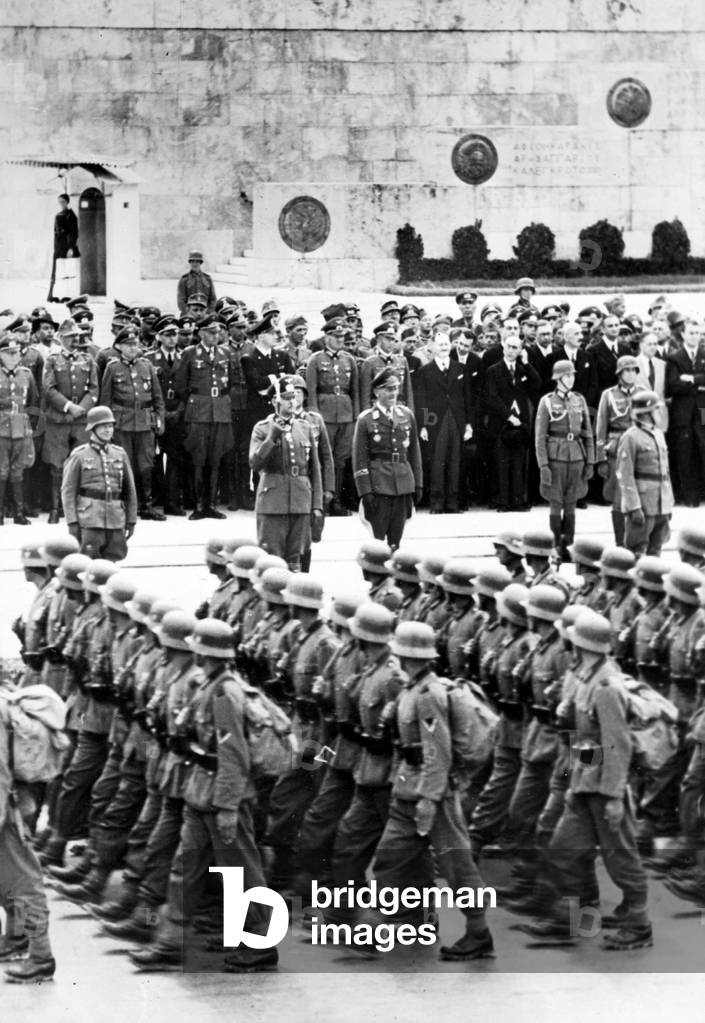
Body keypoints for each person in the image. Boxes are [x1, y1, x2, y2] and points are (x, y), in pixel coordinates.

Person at [372, 620, 495, 961]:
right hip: (408, 787)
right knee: (390, 858)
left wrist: (429, 798)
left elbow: (437, 751)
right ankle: (395, 923)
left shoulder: (429, 695)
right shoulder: (412, 689)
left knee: (457, 867)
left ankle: (478, 932)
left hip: (433, 794)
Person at [535, 609, 653, 951]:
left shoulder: (606, 686)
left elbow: (617, 744)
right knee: (565, 851)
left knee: (621, 859)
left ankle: (638, 925)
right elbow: (588, 742)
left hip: (605, 789)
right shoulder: (585, 678)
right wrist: (574, 779)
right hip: (585, 783)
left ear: (580, 644)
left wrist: (614, 796)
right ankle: (579, 921)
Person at [249, 377, 324, 571]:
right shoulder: (262, 428)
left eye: (293, 397)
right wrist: (271, 438)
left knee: (296, 560)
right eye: (286, 397)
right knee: (272, 560)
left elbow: (315, 469)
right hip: (273, 503)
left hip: (301, 502)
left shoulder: (305, 427)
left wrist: (317, 505)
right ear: (275, 401)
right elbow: (255, 464)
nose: (292, 401)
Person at [99, 326, 166, 520]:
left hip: (145, 422)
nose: (132, 348)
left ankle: (146, 505)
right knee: (123, 463)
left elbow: (157, 397)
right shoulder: (112, 368)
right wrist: (107, 426)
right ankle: (125, 506)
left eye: (135, 344)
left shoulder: (146, 365)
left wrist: (159, 419)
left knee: (146, 464)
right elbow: (106, 400)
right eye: (127, 345)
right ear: (119, 347)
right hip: (123, 423)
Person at [352, 368, 422, 551]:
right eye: (388, 389)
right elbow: (360, 458)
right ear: (377, 392)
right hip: (379, 485)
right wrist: (365, 491)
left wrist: (418, 484)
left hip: (403, 484)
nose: (393, 393)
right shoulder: (366, 419)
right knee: (377, 543)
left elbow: (414, 453)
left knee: (396, 542)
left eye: (395, 388)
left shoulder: (406, 415)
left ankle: (394, 569)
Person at [174, 314, 233, 519]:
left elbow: (230, 382)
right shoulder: (190, 353)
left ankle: (212, 504)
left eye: (218, 332)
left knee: (215, 458)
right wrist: (196, 400)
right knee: (199, 458)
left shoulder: (225, 353)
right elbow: (180, 384)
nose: (216, 336)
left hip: (220, 411)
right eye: (211, 332)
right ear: (201, 333)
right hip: (198, 411)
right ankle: (199, 505)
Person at [534, 359, 595, 558]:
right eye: (567, 376)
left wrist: (591, 461)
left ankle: (568, 546)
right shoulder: (547, 401)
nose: (571, 379)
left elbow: (588, 433)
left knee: (571, 502)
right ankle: (555, 547)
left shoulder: (579, 400)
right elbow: (539, 437)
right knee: (555, 502)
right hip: (555, 457)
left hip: (576, 456)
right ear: (558, 378)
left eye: (572, 375)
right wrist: (543, 465)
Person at [61, 405, 138, 561]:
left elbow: (130, 491)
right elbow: (68, 491)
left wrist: (131, 520)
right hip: (90, 519)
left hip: (115, 519)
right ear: (93, 428)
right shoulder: (79, 455)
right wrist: (72, 522)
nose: (108, 430)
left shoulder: (119, 454)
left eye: (110, 426)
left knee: (112, 561)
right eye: (103, 426)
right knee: (88, 561)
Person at [41, 318, 99, 522]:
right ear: (61, 338)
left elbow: (94, 389)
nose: (75, 340)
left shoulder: (88, 359)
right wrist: (68, 406)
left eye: (76, 336)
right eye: (70, 336)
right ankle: (56, 508)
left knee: (82, 463)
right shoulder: (52, 360)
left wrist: (81, 408)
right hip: (59, 418)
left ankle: (78, 507)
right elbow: (48, 389)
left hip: (81, 420)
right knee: (57, 465)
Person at [413, 330, 473, 513]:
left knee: (456, 461)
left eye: (446, 344)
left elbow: (467, 398)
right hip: (435, 421)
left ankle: (453, 503)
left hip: (457, 420)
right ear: (433, 347)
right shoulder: (425, 371)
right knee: (437, 462)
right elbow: (421, 400)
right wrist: (423, 425)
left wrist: (468, 424)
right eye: (440, 344)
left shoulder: (460, 369)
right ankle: (437, 503)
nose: (444, 347)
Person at [306, 320, 359, 515]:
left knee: (341, 459)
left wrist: (355, 416)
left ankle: (337, 500)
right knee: (324, 458)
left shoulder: (349, 360)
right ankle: (322, 500)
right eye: (336, 337)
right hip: (325, 415)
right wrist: (314, 417)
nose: (340, 340)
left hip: (345, 415)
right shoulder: (315, 360)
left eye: (342, 336)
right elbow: (311, 391)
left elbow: (355, 391)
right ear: (326, 337)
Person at [484, 334, 540, 511]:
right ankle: (503, 501)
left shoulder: (523, 370)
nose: (510, 350)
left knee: (518, 462)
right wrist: (509, 416)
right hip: (502, 423)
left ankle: (518, 500)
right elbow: (492, 397)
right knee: (502, 463)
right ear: (503, 348)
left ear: (520, 350)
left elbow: (537, 383)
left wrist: (527, 363)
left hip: (521, 424)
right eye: (508, 346)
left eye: (515, 347)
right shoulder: (493, 370)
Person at [616, 390, 674, 556]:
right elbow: (625, 475)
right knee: (637, 552)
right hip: (643, 504)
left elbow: (665, 472)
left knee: (656, 551)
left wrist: (669, 504)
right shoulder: (630, 437)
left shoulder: (659, 434)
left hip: (661, 504)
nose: (660, 413)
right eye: (656, 409)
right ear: (646, 413)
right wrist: (634, 506)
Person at [595, 355, 644, 545]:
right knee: (618, 498)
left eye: (633, 370)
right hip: (617, 449)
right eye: (626, 370)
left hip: (639, 450)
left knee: (639, 496)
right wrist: (601, 458)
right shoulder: (608, 395)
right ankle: (619, 543)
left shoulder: (644, 393)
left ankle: (635, 541)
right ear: (619, 373)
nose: (630, 374)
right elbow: (601, 428)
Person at [665, 318, 705, 507]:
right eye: (691, 333)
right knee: (685, 451)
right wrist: (700, 385)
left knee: (703, 446)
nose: (695, 336)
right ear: (683, 334)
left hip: (703, 409)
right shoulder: (674, 358)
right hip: (683, 412)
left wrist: (692, 379)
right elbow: (673, 385)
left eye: (698, 333)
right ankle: (689, 496)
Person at [0, 333, 39, 525]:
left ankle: (18, 512)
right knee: (1, 470)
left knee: (18, 470)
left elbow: (33, 401)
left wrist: (28, 426)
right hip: (1, 428)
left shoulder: (26, 374)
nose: (14, 356)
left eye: (16, 353)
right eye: (9, 353)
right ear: (1, 355)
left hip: (21, 426)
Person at [47, 192, 79, 303]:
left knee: (68, 272)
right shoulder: (59, 215)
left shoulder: (71, 216)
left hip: (67, 247)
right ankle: (58, 295)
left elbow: (74, 233)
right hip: (59, 247)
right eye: (59, 202)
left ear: (67, 202)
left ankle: (68, 295)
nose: (61, 204)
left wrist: (71, 247)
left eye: (63, 202)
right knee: (59, 272)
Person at [176, 250, 216, 314]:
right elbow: (181, 300)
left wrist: (208, 312)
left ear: (200, 263)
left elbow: (213, 299)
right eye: (192, 261)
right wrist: (189, 312)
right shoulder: (184, 279)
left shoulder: (207, 279)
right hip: (189, 313)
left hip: (205, 313)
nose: (194, 264)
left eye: (197, 261)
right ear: (190, 263)